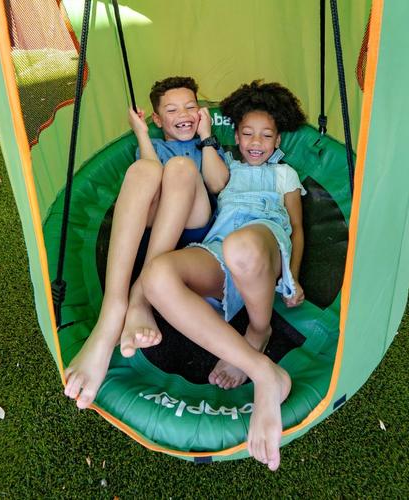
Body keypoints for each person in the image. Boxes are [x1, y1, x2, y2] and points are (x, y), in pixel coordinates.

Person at [138, 81, 307, 470]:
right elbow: (215, 183)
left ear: (278, 139)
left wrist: (293, 276)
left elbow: (297, 229)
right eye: (247, 133)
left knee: (241, 246)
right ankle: (259, 368)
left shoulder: (284, 174)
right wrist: (207, 137)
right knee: (157, 274)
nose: (255, 142)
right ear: (237, 136)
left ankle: (258, 331)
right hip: (219, 246)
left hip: (264, 240)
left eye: (266, 135)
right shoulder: (227, 165)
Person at [64, 76, 229, 409]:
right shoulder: (155, 147)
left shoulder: (206, 146)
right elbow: (149, 167)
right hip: (157, 228)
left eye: (191, 107)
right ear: (158, 119)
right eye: (172, 110)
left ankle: (138, 297)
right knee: (144, 170)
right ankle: (114, 310)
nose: (184, 114)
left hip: (193, 227)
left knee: (181, 168)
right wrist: (141, 132)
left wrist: (207, 136)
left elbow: (217, 183)